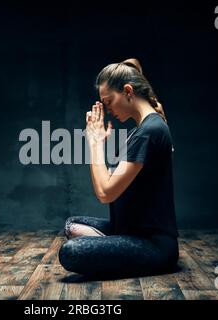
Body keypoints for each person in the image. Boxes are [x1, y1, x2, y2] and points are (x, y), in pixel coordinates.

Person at [58, 58, 179, 278]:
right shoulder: (142, 130)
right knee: (72, 225)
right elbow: (112, 183)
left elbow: (105, 193)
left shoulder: (150, 131)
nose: (107, 108)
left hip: (154, 245)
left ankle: (118, 249)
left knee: (70, 252)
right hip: (129, 229)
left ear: (128, 91)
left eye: (109, 101)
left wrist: (94, 144)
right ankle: (116, 247)